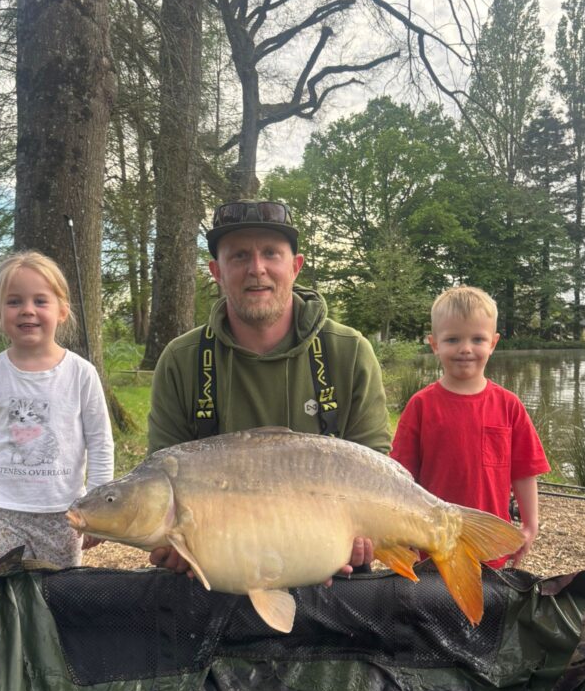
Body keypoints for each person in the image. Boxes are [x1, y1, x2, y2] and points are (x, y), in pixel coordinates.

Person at [147, 199, 391, 574]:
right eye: (239, 256)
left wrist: (366, 537)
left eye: (271, 253)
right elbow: (161, 480)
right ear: (217, 271)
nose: (256, 269)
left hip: (333, 565)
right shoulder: (182, 360)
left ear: (295, 266)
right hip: (215, 570)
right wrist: (173, 543)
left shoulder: (349, 351)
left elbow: (376, 469)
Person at [0, 251, 114, 567]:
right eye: (14, 301)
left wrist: (96, 509)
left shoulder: (81, 373)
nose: (27, 310)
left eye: (40, 301)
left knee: (61, 590)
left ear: (62, 310)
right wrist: (2, 482)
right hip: (4, 512)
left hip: (62, 513)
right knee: (10, 587)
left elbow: (100, 442)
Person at [391, 285, 549, 566]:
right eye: (453, 339)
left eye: (477, 339)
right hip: (432, 546)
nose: (465, 349)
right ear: (434, 344)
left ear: (493, 343)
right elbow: (401, 478)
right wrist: (402, 532)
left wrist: (529, 524)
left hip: (491, 546)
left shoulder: (509, 405)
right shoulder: (421, 405)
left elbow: (525, 472)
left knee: (489, 595)